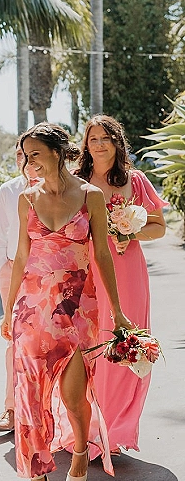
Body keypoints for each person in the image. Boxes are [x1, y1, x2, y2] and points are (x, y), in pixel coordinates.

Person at [1, 124, 132, 481]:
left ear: (58, 153)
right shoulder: (25, 199)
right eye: (25, 155)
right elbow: (21, 258)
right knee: (31, 397)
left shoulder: (90, 196)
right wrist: (8, 312)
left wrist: (120, 311)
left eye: (35, 153)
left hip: (78, 308)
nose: (29, 162)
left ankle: (78, 446)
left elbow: (103, 256)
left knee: (75, 397)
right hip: (33, 309)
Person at [76, 114, 167, 453]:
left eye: (105, 138)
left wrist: (130, 232)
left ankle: (115, 431)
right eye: (93, 138)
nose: (99, 144)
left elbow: (159, 227)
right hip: (89, 271)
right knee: (91, 346)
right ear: (86, 144)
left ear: (117, 142)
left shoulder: (136, 180)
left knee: (126, 345)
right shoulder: (77, 181)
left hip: (129, 272)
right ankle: (88, 427)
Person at [0, 140, 26, 433]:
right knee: (14, 341)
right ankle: (11, 408)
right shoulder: (9, 189)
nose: (23, 159)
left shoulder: (62, 188)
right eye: (19, 154)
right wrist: (3, 265)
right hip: (13, 269)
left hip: (50, 274)